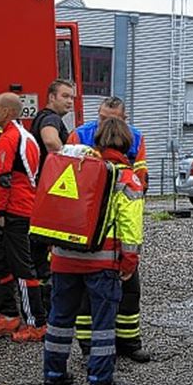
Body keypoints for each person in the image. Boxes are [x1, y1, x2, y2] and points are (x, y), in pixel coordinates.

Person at [41, 116, 143, 385]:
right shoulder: (126, 178)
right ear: (128, 145)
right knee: (102, 323)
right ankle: (100, 381)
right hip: (102, 262)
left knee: (59, 318)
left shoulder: (76, 168)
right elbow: (130, 229)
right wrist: (129, 263)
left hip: (62, 258)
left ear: (96, 141)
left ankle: (53, 375)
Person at [68, 96, 151, 362]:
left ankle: (128, 341)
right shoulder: (79, 135)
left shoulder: (135, 138)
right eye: (103, 118)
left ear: (124, 120)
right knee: (87, 295)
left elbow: (141, 175)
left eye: (112, 119)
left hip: (118, 229)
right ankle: (89, 345)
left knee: (130, 291)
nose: (106, 123)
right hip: (87, 232)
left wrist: (131, 189)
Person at [0, 93, 47, 342]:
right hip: (21, 209)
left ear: (7, 112)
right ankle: (8, 316)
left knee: (22, 268)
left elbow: (3, 180)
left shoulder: (8, 139)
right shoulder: (24, 136)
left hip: (15, 213)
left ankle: (36, 324)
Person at [31, 79, 77, 314]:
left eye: (72, 97)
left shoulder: (41, 116)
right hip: (50, 194)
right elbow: (50, 141)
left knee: (40, 254)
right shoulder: (50, 118)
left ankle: (41, 308)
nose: (70, 101)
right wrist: (73, 157)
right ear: (51, 97)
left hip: (42, 193)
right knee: (46, 256)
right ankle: (48, 310)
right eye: (65, 96)